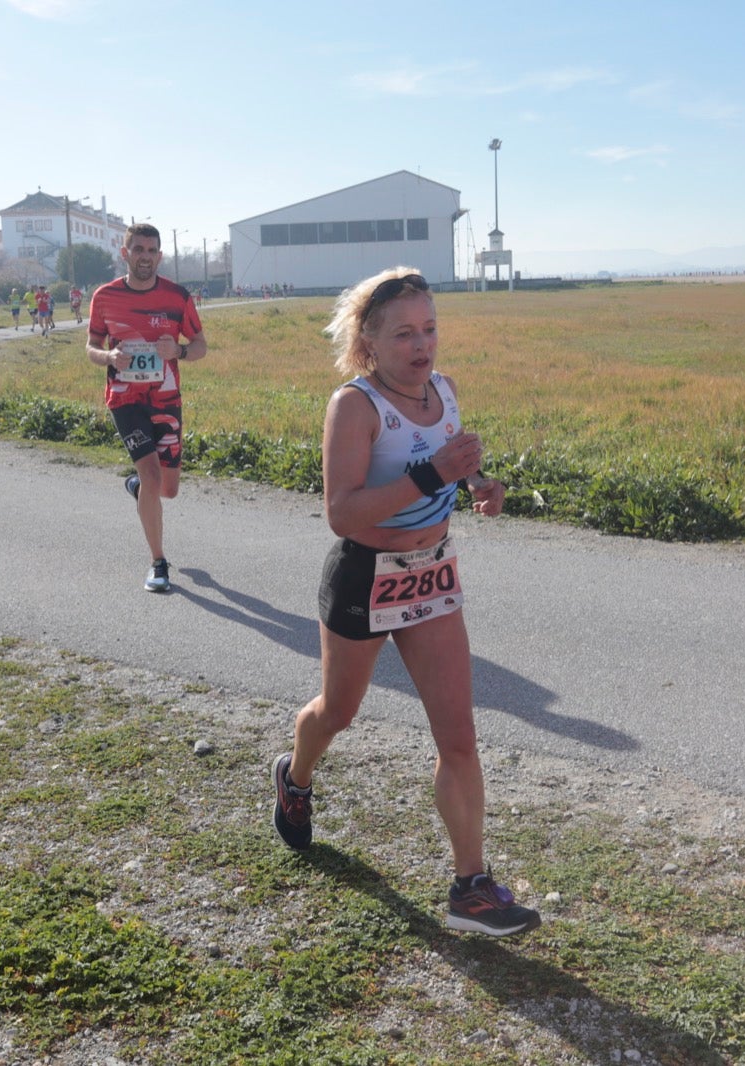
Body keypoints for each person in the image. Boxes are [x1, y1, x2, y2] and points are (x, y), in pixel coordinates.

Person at [270, 267, 541, 937]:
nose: (422, 347)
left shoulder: (441, 391)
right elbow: (342, 512)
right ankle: (296, 776)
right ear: (369, 338)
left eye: (430, 330)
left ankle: (471, 887)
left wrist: (477, 482)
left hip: (431, 574)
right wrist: (433, 474)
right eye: (404, 334)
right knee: (338, 713)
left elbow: (451, 458)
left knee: (459, 737)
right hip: (366, 572)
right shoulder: (355, 406)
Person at [85, 223, 206, 592]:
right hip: (126, 400)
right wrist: (108, 355)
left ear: (159, 256)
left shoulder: (177, 297)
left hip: (167, 400)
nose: (145, 257)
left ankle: (139, 488)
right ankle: (158, 562)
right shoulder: (105, 297)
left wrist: (180, 351)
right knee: (153, 477)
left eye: (152, 251)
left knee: (167, 489)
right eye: (138, 249)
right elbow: (90, 347)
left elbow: (200, 344)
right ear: (125, 253)